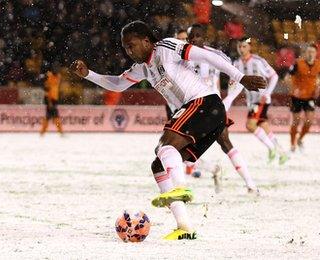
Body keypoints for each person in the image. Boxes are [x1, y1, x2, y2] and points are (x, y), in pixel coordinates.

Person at [70, 21, 266, 240]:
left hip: (204, 103)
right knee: (158, 164)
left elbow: (208, 57)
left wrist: (241, 78)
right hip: (201, 111)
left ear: (146, 41)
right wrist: (89, 74)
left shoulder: (166, 47)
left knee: (165, 145)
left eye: (131, 45)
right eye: (125, 48)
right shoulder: (143, 67)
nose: (129, 51)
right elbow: (117, 84)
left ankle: (181, 187)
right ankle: (185, 227)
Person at [185, 24, 258, 193]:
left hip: (213, 108)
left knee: (225, 143)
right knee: (181, 148)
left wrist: (229, 100)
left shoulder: (216, 56)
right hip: (192, 108)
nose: (193, 40)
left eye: (197, 36)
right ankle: (212, 170)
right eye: (191, 37)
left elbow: (239, 80)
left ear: (205, 37)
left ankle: (250, 185)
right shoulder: (182, 57)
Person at [224, 37, 288, 164]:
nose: (241, 49)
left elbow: (274, 76)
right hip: (251, 101)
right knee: (262, 124)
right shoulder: (236, 63)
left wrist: (268, 93)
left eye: (244, 46)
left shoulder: (258, 61)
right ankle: (281, 152)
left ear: (250, 47)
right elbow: (233, 82)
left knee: (250, 125)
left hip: (261, 99)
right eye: (239, 47)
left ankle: (272, 148)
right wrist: (230, 97)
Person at [286, 45, 320, 152]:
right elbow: (287, 77)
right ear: (305, 53)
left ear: (316, 54)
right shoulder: (298, 63)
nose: (310, 54)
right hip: (297, 96)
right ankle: (292, 144)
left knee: (309, 121)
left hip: (310, 96)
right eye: (309, 52)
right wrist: (292, 89)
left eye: (313, 52)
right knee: (296, 120)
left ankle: (300, 139)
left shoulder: (318, 64)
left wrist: (318, 88)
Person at [40, 65, 64, 136]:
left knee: (49, 116)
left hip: (55, 98)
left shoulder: (59, 76)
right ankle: (60, 131)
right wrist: (49, 102)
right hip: (49, 99)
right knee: (54, 115)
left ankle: (43, 132)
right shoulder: (48, 76)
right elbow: (46, 89)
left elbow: (57, 87)